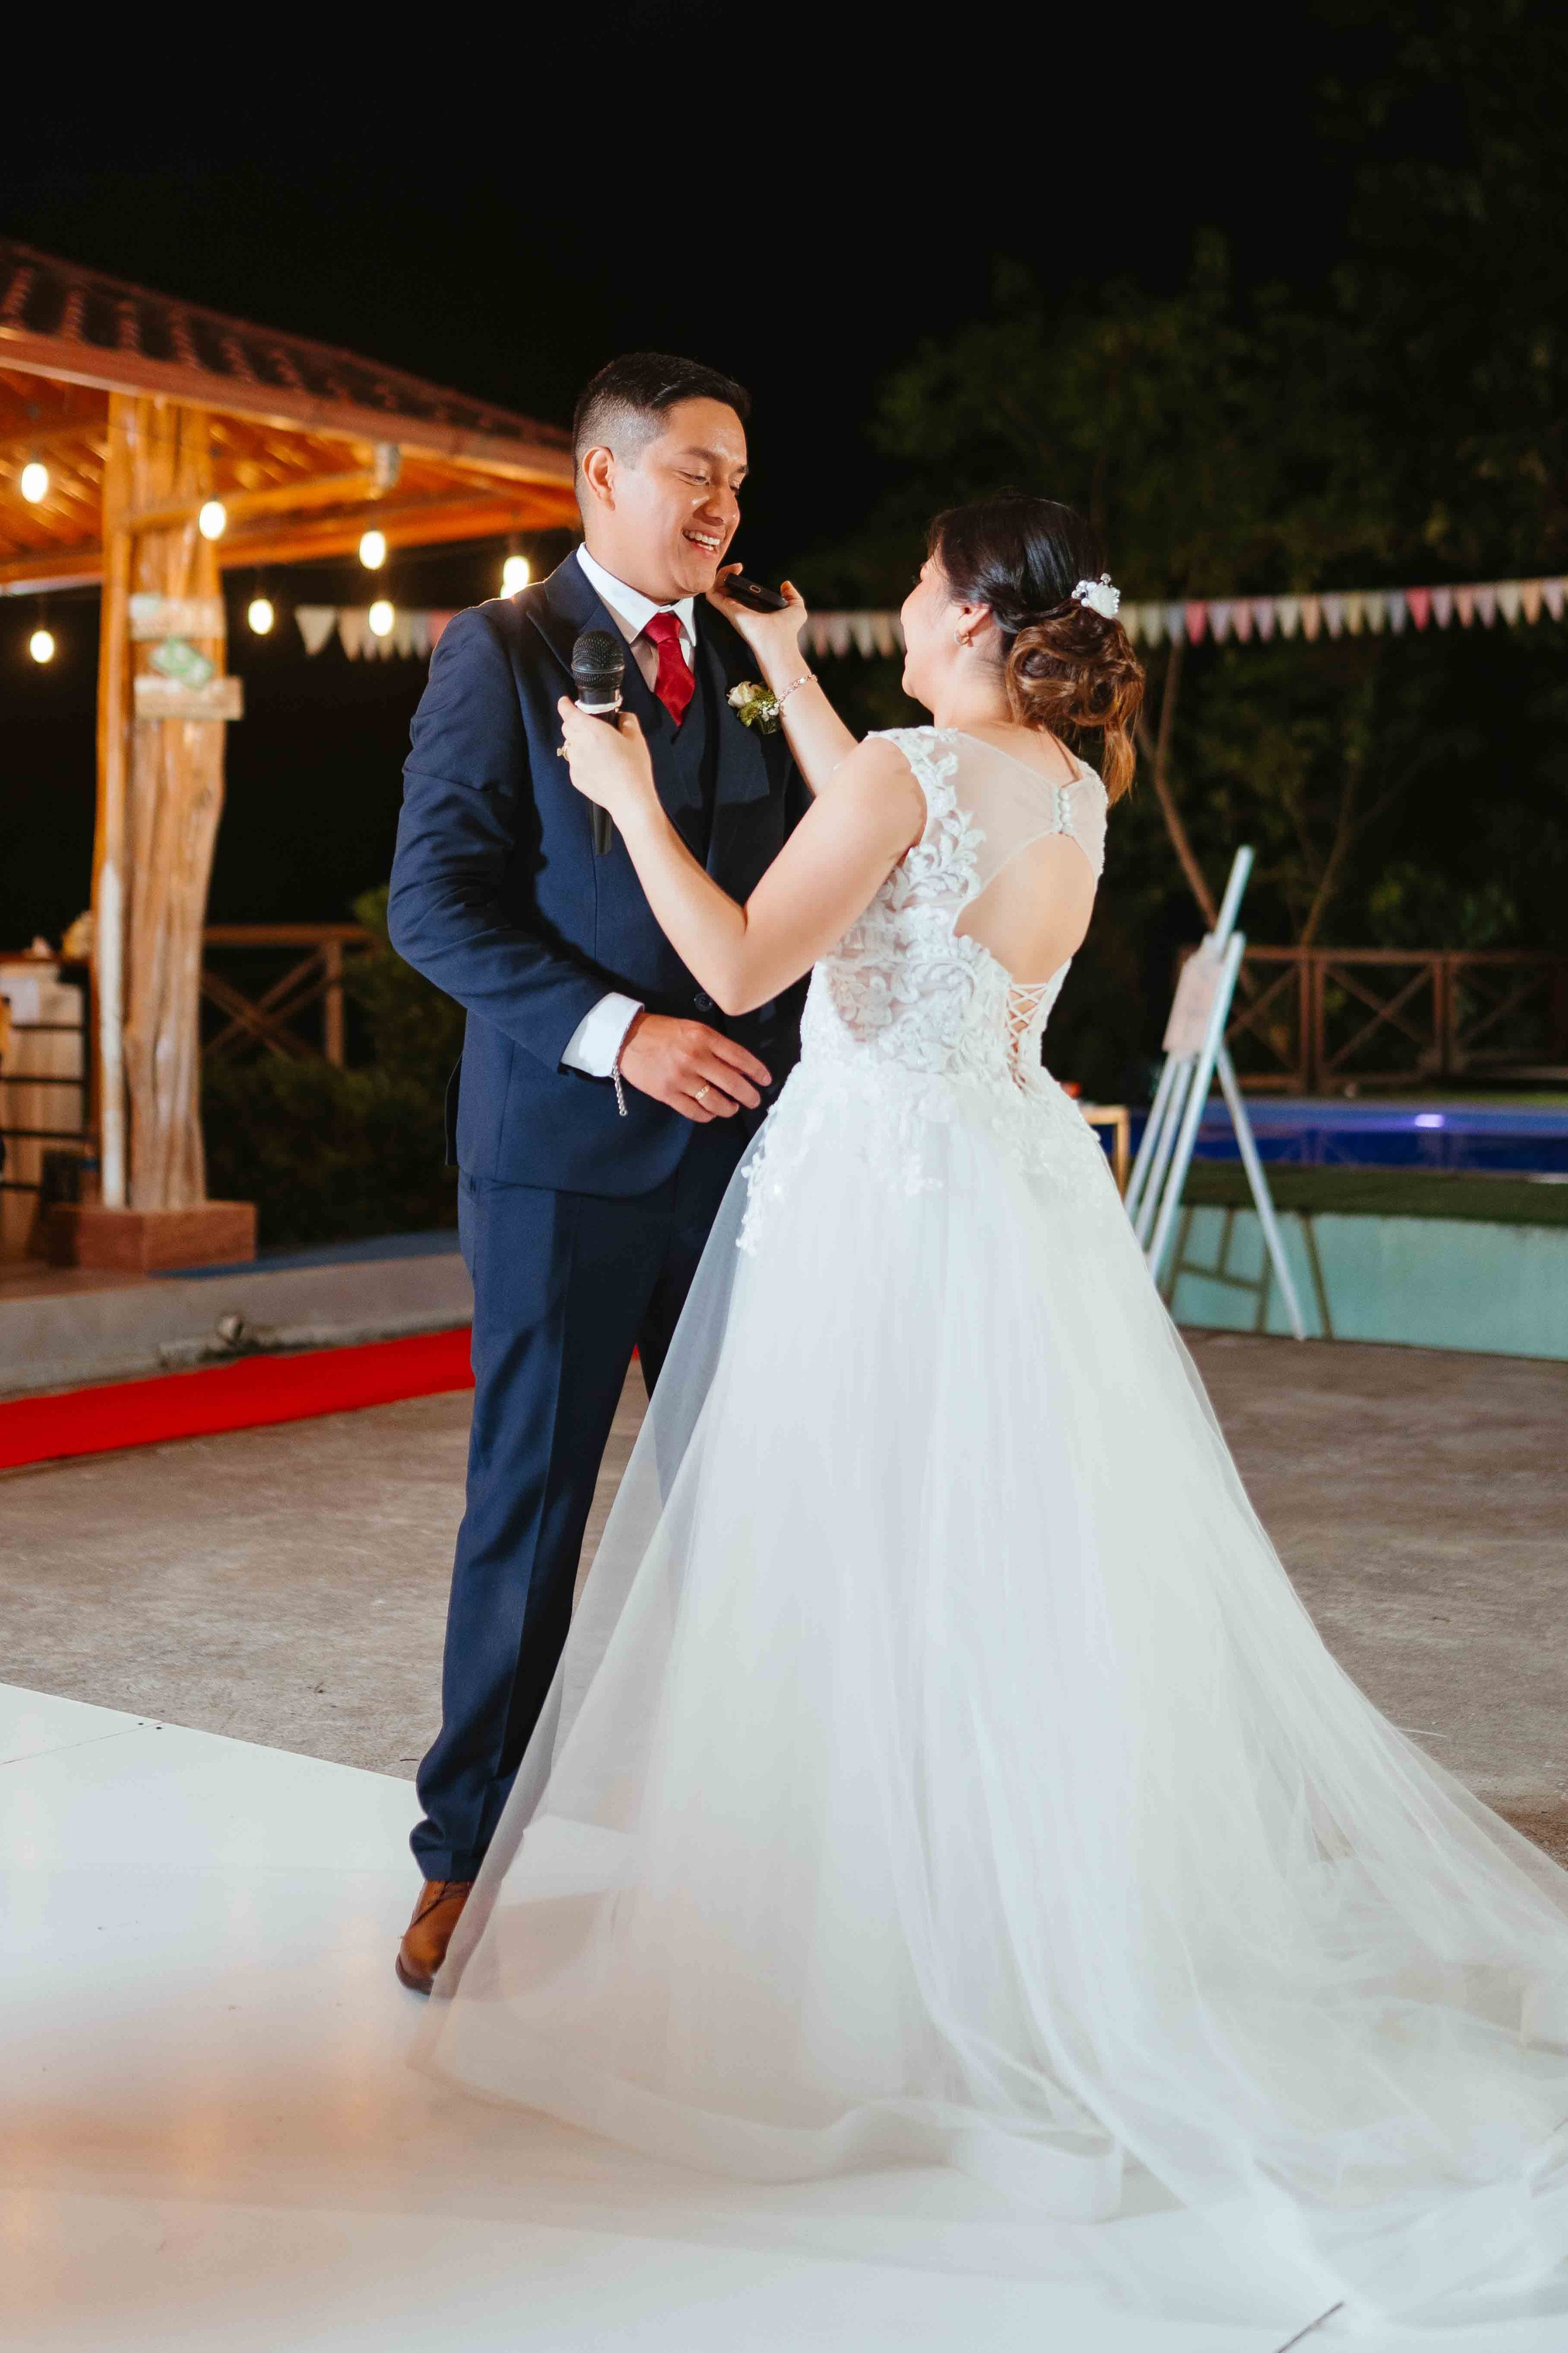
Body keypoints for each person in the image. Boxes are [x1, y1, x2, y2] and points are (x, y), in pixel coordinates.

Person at [422, 493, 1568, 2330]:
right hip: (1019, 1193)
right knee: (1002, 1566)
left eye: (923, 581)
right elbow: (903, 818)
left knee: (850, 1556)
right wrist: (792, 676)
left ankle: (877, 1957)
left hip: (873, 1202)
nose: (899, 597)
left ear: (965, 613)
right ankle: (1014, 1923)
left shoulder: (897, 769)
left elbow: (740, 965)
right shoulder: (1072, 784)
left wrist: (630, 796)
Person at [386, 353, 809, 1992]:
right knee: (532, 1511)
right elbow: (435, 904)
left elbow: (802, 877)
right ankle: (461, 1856)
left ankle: (743, 1855)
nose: (723, 504)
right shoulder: (494, 654)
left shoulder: (754, 664)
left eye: (739, 479)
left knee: (747, 1505)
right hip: (562, 1162)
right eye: (696, 469)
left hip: (751, 1159)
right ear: (601, 478)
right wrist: (620, 1034)